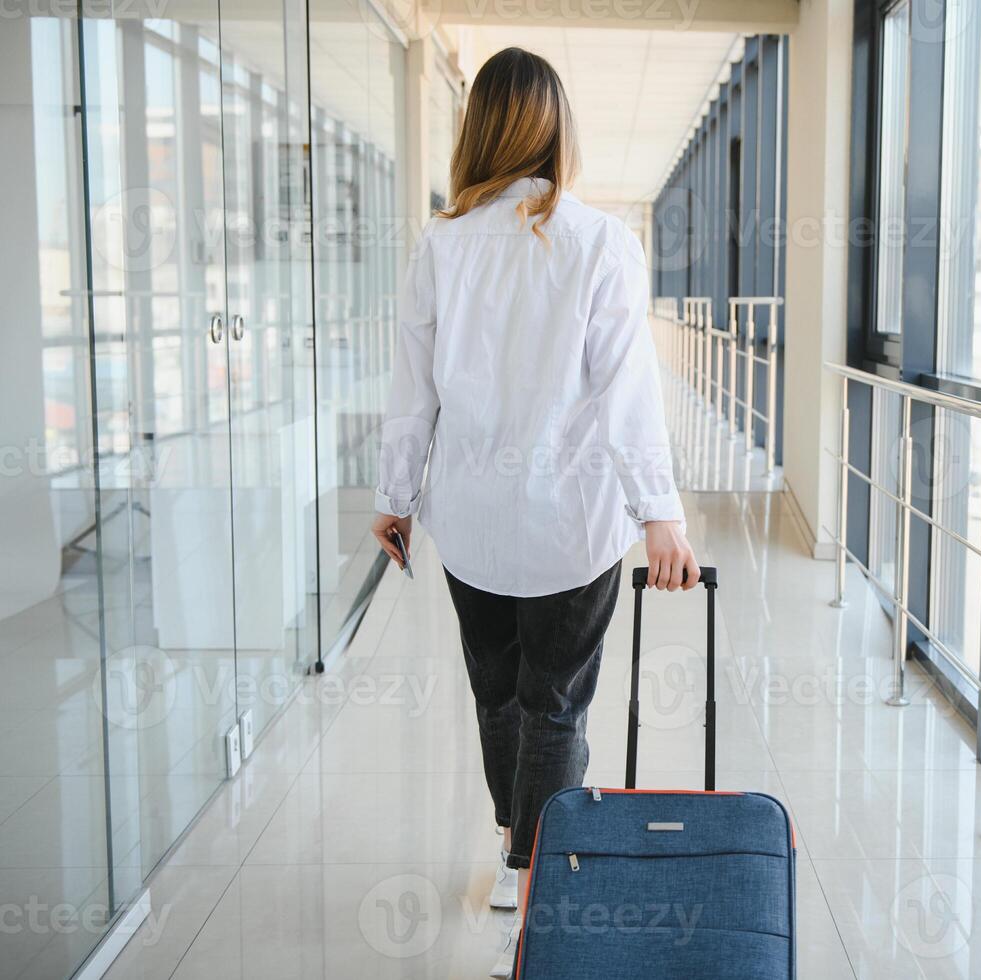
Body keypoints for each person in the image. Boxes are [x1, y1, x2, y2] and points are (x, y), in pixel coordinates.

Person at [369, 47, 699, 976]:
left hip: (470, 523)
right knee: (555, 702)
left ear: (479, 131)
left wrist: (395, 498)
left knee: (497, 691)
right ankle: (532, 870)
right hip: (574, 519)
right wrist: (657, 514)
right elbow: (627, 390)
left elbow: (412, 391)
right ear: (558, 131)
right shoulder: (599, 242)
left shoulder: (440, 245)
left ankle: (516, 837)